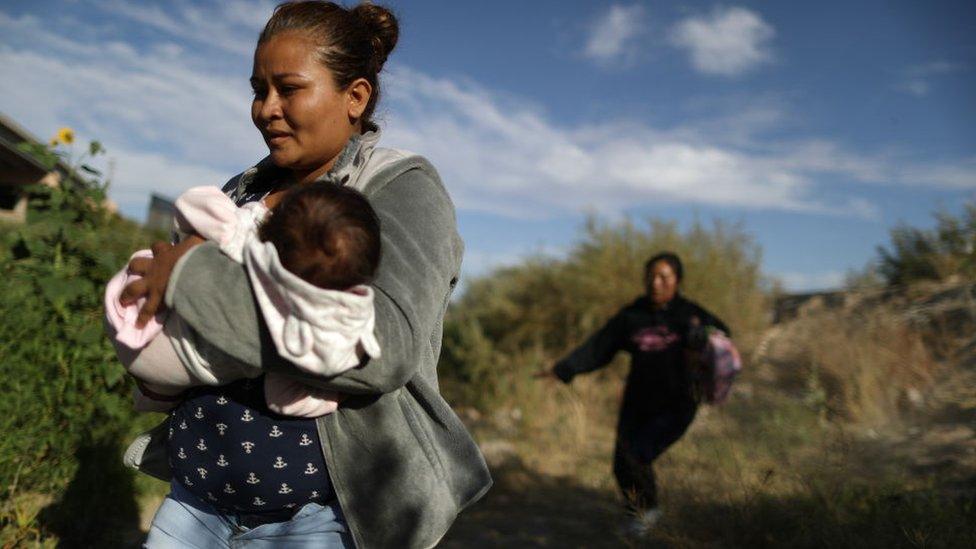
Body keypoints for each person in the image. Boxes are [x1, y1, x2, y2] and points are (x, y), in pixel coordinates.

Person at [115, 2, 491, 547]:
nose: (267, 109)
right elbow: (171, 313)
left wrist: (191, 277)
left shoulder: (398, 188)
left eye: (288, 89)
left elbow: (380, 349)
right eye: (257, 89)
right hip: (195, 500)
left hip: (317, 518)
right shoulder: (242, 189)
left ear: (355, 96)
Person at [106, 182, 383, 418]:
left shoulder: (244, 242)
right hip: (165, 374)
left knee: (158, 261)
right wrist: (331, 397)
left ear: (271, 230)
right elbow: (281, 397)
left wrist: (252, 214)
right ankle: (152, 396)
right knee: (181, 376)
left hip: (132, 307)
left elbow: (192, 203)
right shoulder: (302, 333)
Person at [539, 252, 730, 537]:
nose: (656, 282)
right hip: (638, 401)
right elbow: (599, 347)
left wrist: (704, 338)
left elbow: (723, 337)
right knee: (622, 463)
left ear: (677, 280)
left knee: (637, 455)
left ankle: (649, 518)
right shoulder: (632, 316)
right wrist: (563, 369)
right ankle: (641, 516)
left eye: (664, 277)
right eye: (651, 276)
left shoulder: (690, 315)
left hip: (677, 403)